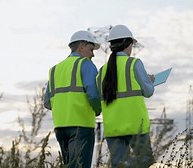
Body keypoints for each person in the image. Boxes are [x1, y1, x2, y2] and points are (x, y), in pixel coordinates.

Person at [96, 24, 155, 168]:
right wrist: (150, 82)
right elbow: (148, 92)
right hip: (135, 124)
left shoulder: (101, 71)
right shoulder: (134, 63)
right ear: (128, 44)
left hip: (113, 127)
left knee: (118, 164)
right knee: (145, 160)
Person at [44, 30, 101, 168]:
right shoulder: (86, 64)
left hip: (60, 127)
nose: (93, 54)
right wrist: (98, 109)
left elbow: (47, 102)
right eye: (91, 49)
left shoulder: (54, 70)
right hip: (81, 125)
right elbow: (93, 95)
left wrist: (64, 107)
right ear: (81, 46)